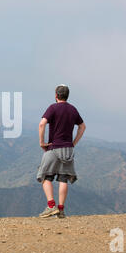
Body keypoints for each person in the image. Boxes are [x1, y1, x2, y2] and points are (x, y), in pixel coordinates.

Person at [37, 85, 86, 218]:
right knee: (63, 178)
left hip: (54, 147)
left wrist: (42, 142)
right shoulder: (72, 109)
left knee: (45, 176)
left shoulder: (53, 108)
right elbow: (82, 126)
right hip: (68, 149)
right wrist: (73, 143)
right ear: (67, 95)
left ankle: (51, 206)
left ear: (56, 95)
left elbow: (42, 124)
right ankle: (61, 209)